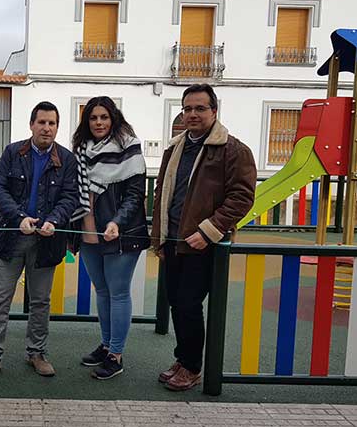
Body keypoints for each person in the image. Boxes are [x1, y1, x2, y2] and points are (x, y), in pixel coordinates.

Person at [151, 83, 256, 391]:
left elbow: (242, 197)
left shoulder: (233, 150)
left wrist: (209, 231)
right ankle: (183, 359)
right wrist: (160, 237)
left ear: (214, 111)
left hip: (202, 243)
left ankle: (192, 367)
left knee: (188, 303)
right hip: (174, 240)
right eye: (187, 109)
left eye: (200, 108)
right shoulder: (175, 147)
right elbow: (162, 192)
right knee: (176, 302)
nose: (192, 114)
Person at [0, 101, 78, 383]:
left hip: (47, 242)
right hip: (10, 238)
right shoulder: (12, 152)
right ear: (31, 125)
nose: (47, 128)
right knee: (0, 300)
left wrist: (54, 220)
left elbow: (70, 197)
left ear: (57, 127)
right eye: (42, 122)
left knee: (40, 301)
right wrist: (19, 217)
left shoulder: (67, 159)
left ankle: (36, 354)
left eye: (52, 123)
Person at [68, 96, 149, 380]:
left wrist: (117, 221)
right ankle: (106, 345)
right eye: (93, 118)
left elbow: (136, 194)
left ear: (113, 118)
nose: (99, 122)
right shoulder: (80, 149)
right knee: (101, 291)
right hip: (89, 231)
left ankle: (116, 355)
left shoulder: (129, 147)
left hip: (120, 233)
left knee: (118, 292)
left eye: (104, 117)